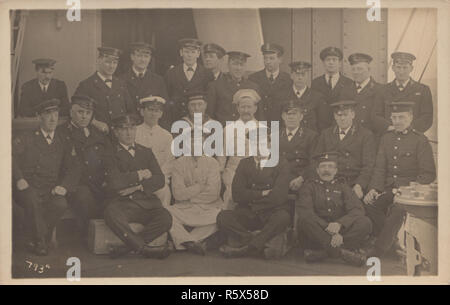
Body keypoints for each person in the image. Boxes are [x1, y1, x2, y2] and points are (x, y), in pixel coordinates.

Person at [363, 102, 436, 258]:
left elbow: (428, 174)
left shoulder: (420, 140)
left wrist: (404, 191)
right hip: (389, 189)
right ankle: (393, 243)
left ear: (410, 118)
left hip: (408, 192)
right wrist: (374, 189)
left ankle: (378, 250)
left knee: (398, 209)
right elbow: (380, 168)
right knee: (369, 203)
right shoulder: (386, 138)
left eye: (401, 117)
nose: (397, 121)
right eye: (394, 117)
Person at [13, 99, 80, 256]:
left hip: (51, 188)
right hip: (28, 186)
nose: (52, 119)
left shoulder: (63, 140)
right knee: (32, 201)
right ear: (39, 117)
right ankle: (41, 242)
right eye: (48, 115)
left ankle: (37, 238)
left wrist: (64, 186)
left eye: (55, 115)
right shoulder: (27, 137)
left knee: (60, 204)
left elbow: (74, 167)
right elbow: (10, 158)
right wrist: (19, 178)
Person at [103, 114, 172, 259]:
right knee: (111, 213)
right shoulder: (109, 153)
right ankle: (143, 248)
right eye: (123, 129)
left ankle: (127, 248)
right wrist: (140, 174)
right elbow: (115, 182)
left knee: (165, 217)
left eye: (132, 128)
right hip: (124, 204)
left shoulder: (145, 151)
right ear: (116, 132)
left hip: (145, 202)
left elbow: (159, 179)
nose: (129, 133)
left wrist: (138, 187)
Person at [216, 134, 292, 259]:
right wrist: (261, 193)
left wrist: (250, 197)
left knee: (283, 217)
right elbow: (237, 194)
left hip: (270, 213)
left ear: (269, 144)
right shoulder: (244, 163)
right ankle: (256, 240)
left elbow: (278, 196)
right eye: (254, 144)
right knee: (223, 217)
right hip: (248, 212)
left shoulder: (281, 163)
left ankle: (246, 247)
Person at [297, 152, 372, 266]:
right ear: (317, 170)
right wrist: (327, 227)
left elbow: (357, 209)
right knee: (304, 221)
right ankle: (342, 252)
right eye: (323, 166)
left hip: (339, 231)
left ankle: (324, 253)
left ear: (336, 170)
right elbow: (306, 212)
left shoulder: (342, 186)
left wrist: (339, 224)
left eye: (330, 166)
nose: (326, 169)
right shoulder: (309, 186)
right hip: (318, 233)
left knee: (365, 222)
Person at [59, 95, 114, 235]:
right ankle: (89, 235)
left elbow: (109, 158)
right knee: (84, 198)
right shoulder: (62, 132)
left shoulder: (97, 133)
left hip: (98, 181)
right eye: (80, 112)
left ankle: (108, 235)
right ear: (71, 112)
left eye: (88, 113)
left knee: (115, 194)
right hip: (76, 184)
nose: (84, 116)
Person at [167, 131, 224, 255]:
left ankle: (186, 242)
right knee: (166, 213)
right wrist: (200, 187)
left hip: (208, 208)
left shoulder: (213, 163)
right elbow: (177, 194)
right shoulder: (179, 163)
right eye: (192, 141)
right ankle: (192, 242)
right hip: (184, 207)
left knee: (221, 217)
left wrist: (189, 195)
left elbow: (213, 193)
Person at [314, 100, 376, 200]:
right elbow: (317, 160)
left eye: (345, 114)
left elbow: (368, 165)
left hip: (352, 182)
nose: (342, 118)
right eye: (339, 115)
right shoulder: (326, 134)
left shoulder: (365, 135)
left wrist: (359, 185)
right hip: (329, 181)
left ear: (353, 114)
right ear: (334, 116)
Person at [220, 89, 266, 210]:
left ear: (255, 108)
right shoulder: (228, 129)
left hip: (254, 170)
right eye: (243, 107)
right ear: (237, 108)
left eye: (249, 107)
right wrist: (220, 171)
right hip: (233, 169)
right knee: (231, 195)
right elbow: (222, 154)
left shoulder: (263, 128)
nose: (246, 110)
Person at [74, 47, 136, 133]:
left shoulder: (121, 84)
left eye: (115, 63)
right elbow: (75, 112)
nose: (111, 66)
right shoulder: (86, 85)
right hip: (96, 134)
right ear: (99, 60)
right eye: (108, 62)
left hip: (119, 134)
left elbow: (130, 110)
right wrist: (94, 122)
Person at [373, 52, 433, 134]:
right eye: (398, 67)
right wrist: (391, 127)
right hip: (389, 136)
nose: (401, 71)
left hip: (412, 136)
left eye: (405, 68)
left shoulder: (422, 90)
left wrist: (409, 129)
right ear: (393, 68)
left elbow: (427, 116)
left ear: (411, 68)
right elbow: (376, 115)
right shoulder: (382, 90)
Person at [135, 96, 174, 207]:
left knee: (164, 192)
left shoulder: (166, 136)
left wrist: (158, 178)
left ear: (161, 114)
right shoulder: (135, 132)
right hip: (139, 179)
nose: (153, 114)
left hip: (159, 180)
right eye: (150, 110)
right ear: (142, 112)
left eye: (157, 111)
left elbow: (169, 162)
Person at [165, 38, 213, 126]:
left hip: (197, 119)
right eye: (186, 52)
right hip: (176, 117)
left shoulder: (207, 74)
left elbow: (209, 98)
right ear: (181, 53)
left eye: (193, 52)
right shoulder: (171, 73)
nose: (189, 55)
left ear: (198, 54)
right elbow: (168, 96)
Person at [206, 51, 261, 125]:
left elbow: (259, 114)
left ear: (245, 67)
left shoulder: (253, 87)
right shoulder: (215, 86)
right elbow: (210, 114)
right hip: (223, 131)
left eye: (241, 65)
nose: (238, 68)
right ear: (228, 65)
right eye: (234, 64)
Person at [121, 42, 168, 126]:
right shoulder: (122, 80)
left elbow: (163, 108)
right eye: (139, 56)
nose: (142, 60)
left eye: (146, 56)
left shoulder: (158, 80)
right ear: (132, 57)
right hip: (130, 126)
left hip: (151, 126)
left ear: (150, 58)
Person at [279, 100, 318, 194]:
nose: (291, 117)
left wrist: (301, 178)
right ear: (283, 116)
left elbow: (314, 162)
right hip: (279, 181)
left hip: (302, 180)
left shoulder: (311, 136)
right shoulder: (276, 135)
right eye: (288, 113)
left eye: (295, 113)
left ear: (301, 116)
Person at [312, 47, 354, 131]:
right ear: (323, 63)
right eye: (328, 60)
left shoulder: (349, 83)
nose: (331, 62)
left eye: (334, 60)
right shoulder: (316, 83)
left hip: (341, 128)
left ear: (340, 63)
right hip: (320, 129)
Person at [249, 43, 292, 122]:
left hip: (279, 125)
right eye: (265, 58)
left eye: (271, 58)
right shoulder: (253, 78)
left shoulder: (288, 80)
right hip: (259, 124)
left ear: (280, 60)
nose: (268, 61)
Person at [346, 53, 385, 135]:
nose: (356, 72)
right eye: (353, 69)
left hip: (371, 136)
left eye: (359, 69)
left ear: (369, 69)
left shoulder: (380, 90)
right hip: (351, 137)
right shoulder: (345, 90)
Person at [286, 61, 325, 132]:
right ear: (291, 75)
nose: (300, 77)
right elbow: (275, 122)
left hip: (310, 141)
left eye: (303, 74)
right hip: (288, 141)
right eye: (297, 74)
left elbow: (322, 124)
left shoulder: (317, 97)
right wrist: (275, 142)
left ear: (307, 76)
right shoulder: (282, 96)